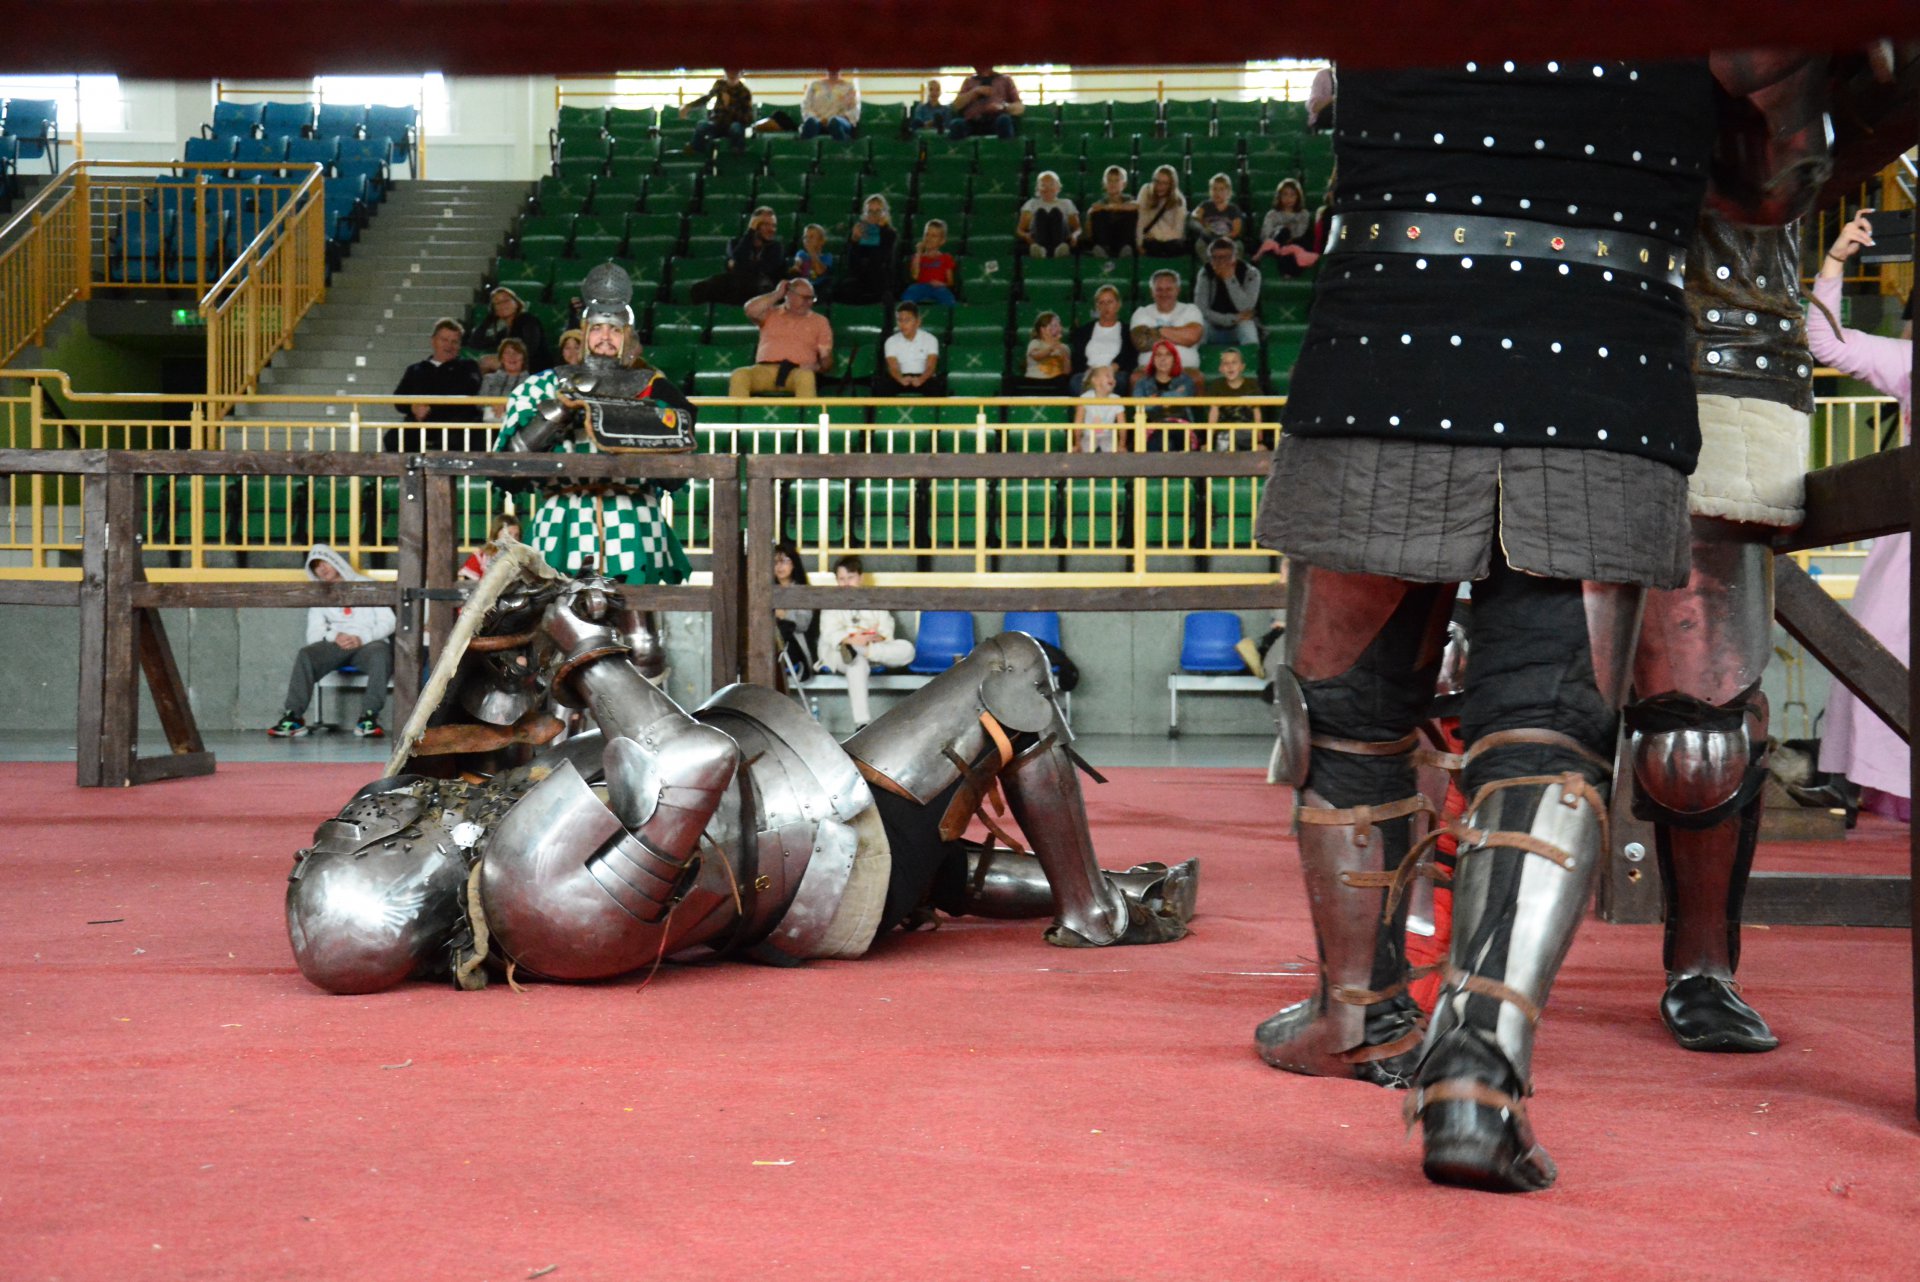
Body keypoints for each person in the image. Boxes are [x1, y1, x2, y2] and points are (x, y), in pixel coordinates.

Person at [1249, 58, 1819, 1194]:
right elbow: (1770, 185)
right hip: (1602, 361)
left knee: (1346, 720)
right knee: (1548, 736)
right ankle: (1478, 1074)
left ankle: (1358, 1015)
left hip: (1392, 343)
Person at [287, 558, 1200, 998]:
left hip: (806, 858)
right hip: (833, 842)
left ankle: (1118, 887)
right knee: (1013, 667)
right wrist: (579, 645)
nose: (366, 812)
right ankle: (1095, 911)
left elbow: (624, 745)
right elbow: (692, 760)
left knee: (943, 871)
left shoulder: (517, 909)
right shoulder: (524, 877)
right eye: (353, 834)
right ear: (384, 865)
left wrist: (578, 633)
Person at [494, 263, 696, 587]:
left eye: (615, 330)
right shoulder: (544, 384)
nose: (605, 337)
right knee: (553, 607)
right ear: (585, 332)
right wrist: (557, 412)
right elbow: (508, 465)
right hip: (563, 514)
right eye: (598, 328)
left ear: (627, 337)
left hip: (633, 515)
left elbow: (678, 468)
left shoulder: (653, 386)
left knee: (636, 612)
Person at [1810, 210, 1913, 823]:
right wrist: (1834, 262)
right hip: (1906, 553)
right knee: (1876, 650)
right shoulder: (1909, 362)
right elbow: (1825, 344)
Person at [267, 544, 396, 740]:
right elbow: (314, 633)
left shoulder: (367, 584)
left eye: (324, 563)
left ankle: (369, 717)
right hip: (336, 645)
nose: (322, 569)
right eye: (316, 567)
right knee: (306, 654)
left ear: (335, 561)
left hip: (368, 644)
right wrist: (334, 636)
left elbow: (389, 622)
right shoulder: (320, 594)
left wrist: (361, 638)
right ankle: (293, 717)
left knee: (381, 653)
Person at [817, 555, 918, 730]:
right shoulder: (831, 602)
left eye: (850, 577)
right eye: (841, 579)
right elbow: (829, 633)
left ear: (860, 577)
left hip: (872, 649)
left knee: (907, 649)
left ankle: (859, 650)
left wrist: (872, 638)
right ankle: (862, 723)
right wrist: (852, 638)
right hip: (841, 653)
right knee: (856, 663)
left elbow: (886, 629)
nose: (846, 583)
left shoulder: (873, 599)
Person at [729, 277, 835, 399]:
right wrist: (777, 294)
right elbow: (750, 310)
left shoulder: (820, 321)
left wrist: (817, 367)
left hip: (797, 371)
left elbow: (826, 360)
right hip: (764, 370)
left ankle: (808, 412)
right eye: (804, 298)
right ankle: (738, 411)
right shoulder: (770, 314)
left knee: (806, 377)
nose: (809, 302)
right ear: (789, 295)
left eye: (811, 298)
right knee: (739, 375)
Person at [388, 318, 483, 453]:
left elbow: (467, 391)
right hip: (419, 424)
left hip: (455, 425)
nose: (449, 345)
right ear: (433, 341)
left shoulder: (469, 367)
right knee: (392, 439)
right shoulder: (415, 369)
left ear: (459, 345)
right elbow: (399, 398)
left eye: (454, 342)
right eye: (444, 340)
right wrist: (413, 407)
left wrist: (430, 407)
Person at [691, 206, 787, 305]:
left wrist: (738, 265)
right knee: (700, 289)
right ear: (754, 225)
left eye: (774, 226)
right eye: (766, 225)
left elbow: (763, 269)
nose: (772, 229)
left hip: (763, 289)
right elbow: (739, 259)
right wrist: (750, 232)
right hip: (738, 284)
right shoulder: (735, 243)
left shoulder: (776, 247)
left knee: (748, 283)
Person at [1128, 269, 1204, 373]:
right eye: (1159, 289)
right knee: (1136, 377)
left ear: (1177, 290)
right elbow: (1141, 343)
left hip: (1185, 369)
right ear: (1152, 292)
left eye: (1169, 289)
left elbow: (1192, 337)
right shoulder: (1141, 312)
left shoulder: (1191, 310)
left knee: (1196, 378)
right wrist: (1180, 336)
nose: (1164, 294)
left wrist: (1157, 331)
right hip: (1149, 370)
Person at [1195, 237, 1262, 347]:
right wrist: (1233, 318)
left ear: (1235, 257)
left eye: (1226, 257)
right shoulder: (1205, 273)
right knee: (1197, 327)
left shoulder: (1251, 273)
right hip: (1213, 326)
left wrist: (1229, 279)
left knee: (1247, 327)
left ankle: (1251, 357)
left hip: (1239, 326)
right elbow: (1201, 310)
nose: (1221, 262)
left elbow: (1246, 308)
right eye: (1215, 258)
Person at [1132, 340, 1198, 448]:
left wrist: (1156, 399)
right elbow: (1139, 406)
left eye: (1168, 355)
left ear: (1174, 359)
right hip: (1152, 427)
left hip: (1180, 426)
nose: (1163, 359)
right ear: (1153, 359)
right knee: (1161, 437)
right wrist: (1172, 396)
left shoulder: (1185, 380)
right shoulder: (1142, 383)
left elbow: (1182, 399)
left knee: (1168, 434)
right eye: (1158, 355)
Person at [1068, 284, 1133, 394]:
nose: (1105, 307)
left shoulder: (1127, 331)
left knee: (1121, 380)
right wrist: (1092, 373)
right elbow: (1078, 358)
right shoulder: (1084, 331)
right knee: (1076, 381)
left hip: (1114, 374)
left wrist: (1110, 370)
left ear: (1118, 305)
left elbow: (1129, 357)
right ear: (1096, 306)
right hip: (1089, 374)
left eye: (1109, 302)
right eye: (1101, 303)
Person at [467, 287, 549, 372]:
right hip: (515, 367)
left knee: (486, 361)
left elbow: (530, 349)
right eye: (497, 303)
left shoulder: (528, 320)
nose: (502, 305)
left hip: (535, 366)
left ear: (516, 303)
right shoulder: (503, 333)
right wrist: (489, 319)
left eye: (506, 300)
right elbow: (475, 343)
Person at [839, 195, 899, 306]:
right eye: (870, 211)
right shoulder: (858, 232)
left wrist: (882, 230)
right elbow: (851, 263)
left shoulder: (890, 234)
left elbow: (883, 259)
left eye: (878, 211)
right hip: (860, 278)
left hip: (880, 278)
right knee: (845, 289)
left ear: (884, 213)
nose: (874, 215)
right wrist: (854, 241)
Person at [874, 300, 941, 396]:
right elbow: (893, 367)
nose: (902, 324)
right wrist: (900, 379)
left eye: (907, 320)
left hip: (924, 377)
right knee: (882, 386)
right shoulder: (891, 341)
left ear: (918, 322)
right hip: (900, 377)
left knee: (935, 387)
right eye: (900, 320)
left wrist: (921, 379)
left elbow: (931, 367)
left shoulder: (930, 339)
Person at [772, 540, 816, 680]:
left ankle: (793, 666)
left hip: (794, 644)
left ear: (794, 563)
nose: (779, 566)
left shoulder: (802, 590)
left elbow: (803, 623)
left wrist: (783, 614)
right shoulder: (766, 590)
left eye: (784, 561)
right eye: (775, 562)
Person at [683, 68, 754, 155]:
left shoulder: (745, 92)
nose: (732, 74)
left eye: (735, 72)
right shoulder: (720, 85)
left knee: (736, 128)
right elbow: (706, 98)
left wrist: (728, 106)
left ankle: (737, 154)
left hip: (732, 126)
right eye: (729, 71)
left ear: (741, 74)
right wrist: (689, 106)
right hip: (717, 124)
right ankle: (697, 153)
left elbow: (748, 118)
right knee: (701, 125)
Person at [1206, 346, 1265, 451]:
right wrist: (1209, 440)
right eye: (1226, 363)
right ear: (1220, 368)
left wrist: (1258, 436)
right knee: (1226, 438)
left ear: (1242, 367)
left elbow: (1257, 412)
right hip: (1224, 432)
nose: (1230, 367)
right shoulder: (1216, 385)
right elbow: (1213, 413)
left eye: (1234, 362)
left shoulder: (1251, 384)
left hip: (1247, 432)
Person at [947, 66, 1022, 140]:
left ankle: (1005, 147)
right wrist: (974, 92)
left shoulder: (1005, 80)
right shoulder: (969, 81)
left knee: (1004, 120)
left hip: (996, 121)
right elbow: (956, 106)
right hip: (972, 123)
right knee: (957, 124)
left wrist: (1002, 107)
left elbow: (1019, 107)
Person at [1018, 171, 1080, 259]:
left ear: (1058, 188)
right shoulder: (1031, 203)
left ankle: (1059, 249)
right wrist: (1026, 236)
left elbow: (1077, 228)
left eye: (1051, 185)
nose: (1047, 189)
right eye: (1043, 185)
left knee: (1055, 212)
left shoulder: (1067, 203)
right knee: (1040, 212)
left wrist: (1074, 235)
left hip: (1061, 237)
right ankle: (1040, 250)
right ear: (1038, 188)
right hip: (1038, 237)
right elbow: (1020, 229)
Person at [900, 219, 958, 307]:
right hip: (920, 287)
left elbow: (950, 282)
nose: (929, 238)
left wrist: (942, 284)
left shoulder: (946, 258)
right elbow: (915, 276)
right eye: (927, 234)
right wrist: (918, 253)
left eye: (934, 236)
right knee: (908, 296)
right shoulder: (917, 257)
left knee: (949, 300)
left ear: (942, 241)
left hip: (939, 287)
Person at [1135, 165, 1189, 259]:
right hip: (1149, 240)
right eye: (1157, 182)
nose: (1160, 187)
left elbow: (1178, 232)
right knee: (1151, 246)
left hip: (1168, 240)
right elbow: (1140, 220)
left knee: (1175, 247)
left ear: (1171, 185)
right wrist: (1139, 244)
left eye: (1165, 183)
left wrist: (1157, 236)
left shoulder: (1179, 200)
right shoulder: (1146, 191)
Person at [1086, 165, 1138, 260]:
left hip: (1123, 240)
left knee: (1131, 213)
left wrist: (1109, 207)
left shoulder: (1129, 200)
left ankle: (1124, 250)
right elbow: (1089, 232)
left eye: (1117, 180)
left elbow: (1136, 206)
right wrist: (1091, 213)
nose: (1113, 184)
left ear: (1124, 184)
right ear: (1104, 184)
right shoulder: (1099, 204)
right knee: (1097, 214)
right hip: (1106, 240)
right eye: (1109, 180)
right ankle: (1103, 249)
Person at [1254, 179, 1313, 262]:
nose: (1288, 198)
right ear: (1279, 196)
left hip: (1295, 244)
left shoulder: (1303, 214)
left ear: (1298, 197)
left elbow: (1299, 233)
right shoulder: (1272, 214)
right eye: (1285, 194)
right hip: (1275, 244)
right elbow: (1266, 235)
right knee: (1283, 231)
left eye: (1292, 195)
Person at [1073, 363, 1126, 453]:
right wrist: (1077, 443)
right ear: (1095, 380)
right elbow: (1078, 422)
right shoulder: (1085, 398)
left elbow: (1122, 425)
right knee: (1084, 452)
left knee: (1114, 452)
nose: (1112, 379)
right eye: (1108, 376)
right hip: (1089, 435)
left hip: (1108, 436)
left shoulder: (1116, 399)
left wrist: (1121, 444)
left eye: (1113, 377)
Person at [477, 338, 532, 423]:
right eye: (507, 353)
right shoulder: (489, 379)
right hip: (490, 425)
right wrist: (493, 405)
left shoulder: (532, 382)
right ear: (501, 358)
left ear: (523, 359)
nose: (512, 356)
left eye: (517, 353)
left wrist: (507, 406)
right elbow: (479, 404)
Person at [799, 69, 861, 142]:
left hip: (839, 122)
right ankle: (804, 146)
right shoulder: (814, 85)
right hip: (818, 121)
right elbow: (806, 106)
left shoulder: (849, 86)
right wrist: (819, 119)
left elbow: (854, 108)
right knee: (811, 122)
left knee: (834, 122)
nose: (833, 70)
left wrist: (845, 116)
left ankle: (844, 147)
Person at [458, 513, 522, 582]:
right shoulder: (480, 557)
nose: (513, 539)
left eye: (516, 535)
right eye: (508, 534)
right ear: (496, 534)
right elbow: (469, 584)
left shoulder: (523, 558)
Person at [1021, 311, 1072, 392]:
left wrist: (1065, 356)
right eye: (1054, 325)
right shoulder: (1035, 343)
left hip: (1056, 381)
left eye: (1059, 325)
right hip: (1034, 380)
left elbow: (1066, 372)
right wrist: (1052, 347)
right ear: (1043, 329)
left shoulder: (1064, 347)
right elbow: (1037, 356)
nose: (1059, 328)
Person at [1191, 173, 1244, 248]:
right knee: (1200, 244)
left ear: (1228, 192)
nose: (1217, 193)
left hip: (1228, 239)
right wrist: (1203, 223)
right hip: (1209, 239)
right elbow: (1195, 215)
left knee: (1239, 246)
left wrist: (1222, 238)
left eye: (1221, 189)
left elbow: (1236, 231)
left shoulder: (1233, 209)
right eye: (1214, 189)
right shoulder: (1205, 205)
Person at [790, 222, 836, 300]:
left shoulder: (827, 256)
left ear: (821, 241)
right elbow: (796, 265)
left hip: (819, 287)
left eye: (811, 237)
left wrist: (811, 251)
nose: (807, 240)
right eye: (805, 237)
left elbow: (819, 271)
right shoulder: (801, 253)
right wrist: (796, 267)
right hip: (803, 287)